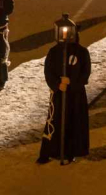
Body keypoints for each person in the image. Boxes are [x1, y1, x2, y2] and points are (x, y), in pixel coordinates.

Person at [37, 16, 90, 164]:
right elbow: (48, 71)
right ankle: (52, 150)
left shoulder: (82, 52)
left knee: (74, 121)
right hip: (59, 94)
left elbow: (85, 73)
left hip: (76, 95)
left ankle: (72, 150)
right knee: (56, 120)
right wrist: (57, 84)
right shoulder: (54, 52)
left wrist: (72, 82)